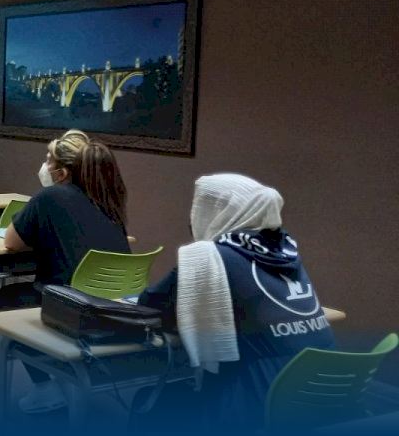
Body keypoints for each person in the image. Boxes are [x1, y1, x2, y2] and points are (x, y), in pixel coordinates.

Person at [139, 174, 333, 429]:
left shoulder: (207, 255)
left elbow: (149, 305)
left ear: (213, 212)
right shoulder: (286, 249)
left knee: (151, 404)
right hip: (324, 395)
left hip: (256, 399)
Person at [0, 129, 132, 413]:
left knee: (7, 298)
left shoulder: (50, 197)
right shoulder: (107, 201)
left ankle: (46, 387)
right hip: (116, 310)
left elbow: (11, 241)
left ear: (62, 173)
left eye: (48, 160)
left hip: (73, 310)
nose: (44, 165)